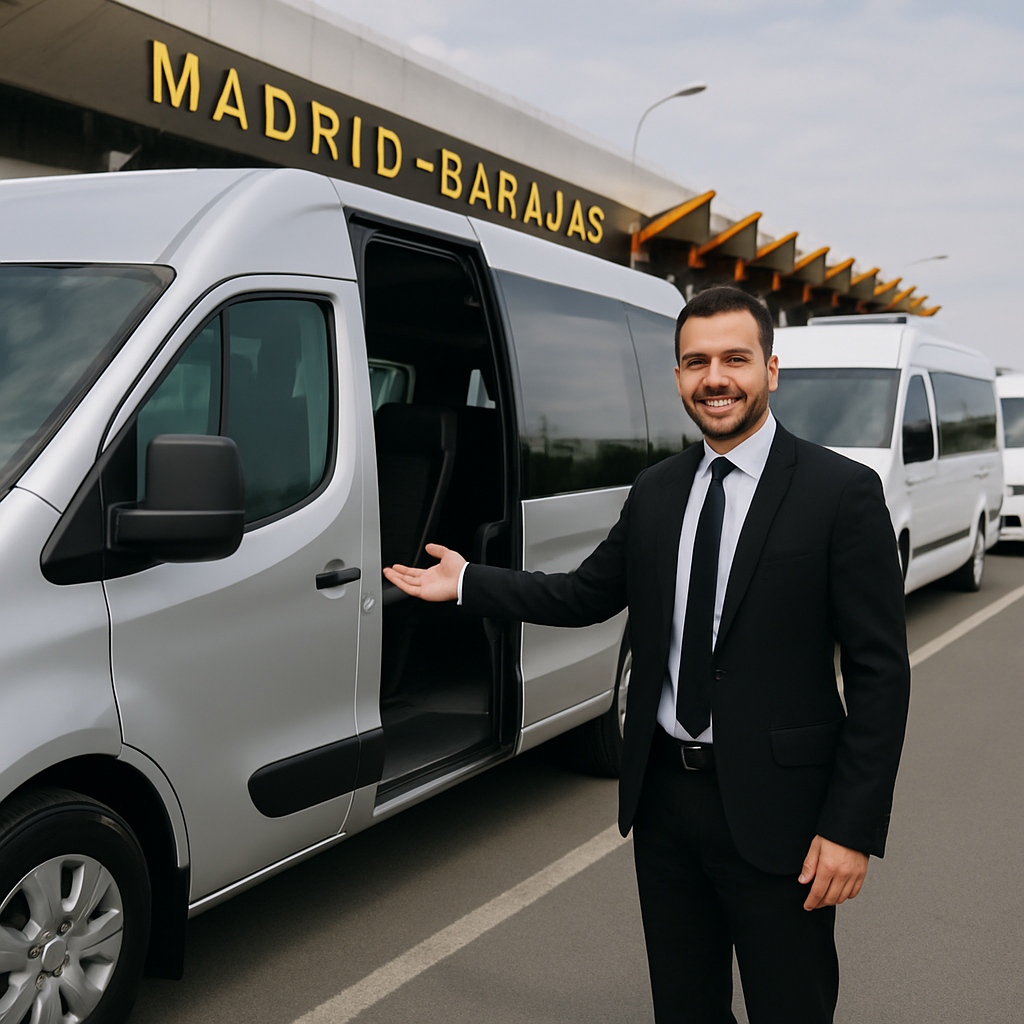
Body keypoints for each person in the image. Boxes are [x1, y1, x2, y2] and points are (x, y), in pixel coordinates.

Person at [383, 285, 911, 1024]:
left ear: (771, 370)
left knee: (790, 1006)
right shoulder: (659, 490)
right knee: (684, 1008)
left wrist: (849, 828)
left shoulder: (840, 493)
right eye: (696, 362)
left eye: (735, 358)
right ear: (678, 378)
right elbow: (584, 594)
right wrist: (469, 580)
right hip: (665, 800)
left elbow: (881, 675)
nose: (715, 378)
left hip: (782, 814)